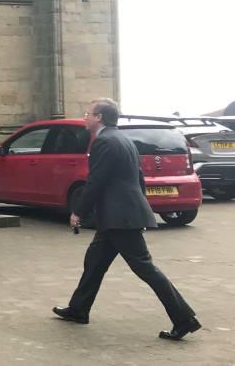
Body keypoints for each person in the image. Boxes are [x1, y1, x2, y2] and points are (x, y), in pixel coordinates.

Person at [54, 98, 201, 341]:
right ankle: (78, 309)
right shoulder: (124, 139)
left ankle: (184, 319)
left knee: (145, 268)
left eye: (88, 113)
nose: (85, 117)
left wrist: (78, 211)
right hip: (119, 216)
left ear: (99, 117)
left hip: (119, 218)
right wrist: (139, 209)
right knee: (94, 262)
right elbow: (139, 177)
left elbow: (96, 181)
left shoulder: (104, 142)